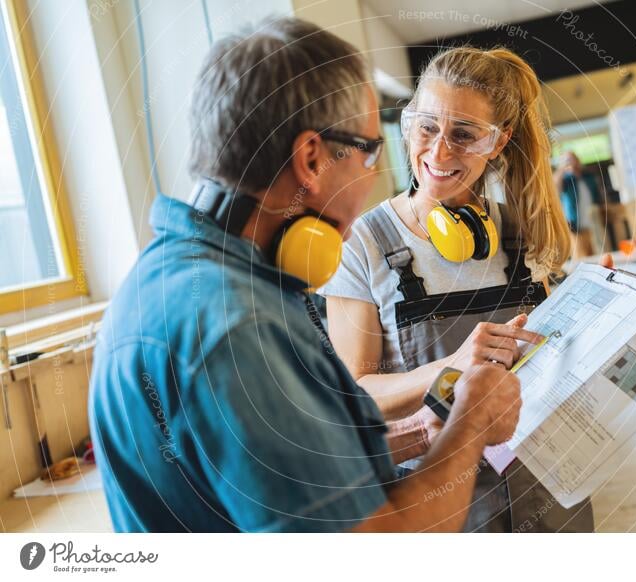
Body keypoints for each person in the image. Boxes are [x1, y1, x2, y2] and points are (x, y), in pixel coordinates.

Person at [88, 18, 522, 533]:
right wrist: (471, 421)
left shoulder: (178, 278)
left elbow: (280, 469)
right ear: (312, 159)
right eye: (369, 152)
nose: (371, 179)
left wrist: (420, 436)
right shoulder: (236, 327)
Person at [320, 47, 595, 532]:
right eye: (427, 127)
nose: (439, 152)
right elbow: (357, 398)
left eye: (465, 135)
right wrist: (453, 366)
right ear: (408, 125)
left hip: (549, 489)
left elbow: (555, 361)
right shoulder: (361, 244)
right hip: (443, 503)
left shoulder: (520, 229)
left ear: (498, 142)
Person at [554, 150, 603, 258]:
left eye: (571, 158)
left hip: (591, 221)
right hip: (574, 222)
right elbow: (555, 188)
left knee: (596, 253)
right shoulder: (565, 179)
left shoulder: (587, 176)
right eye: (566, 159)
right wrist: (562, 168)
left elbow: (597, 193)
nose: (569, 161)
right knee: (579, 255)